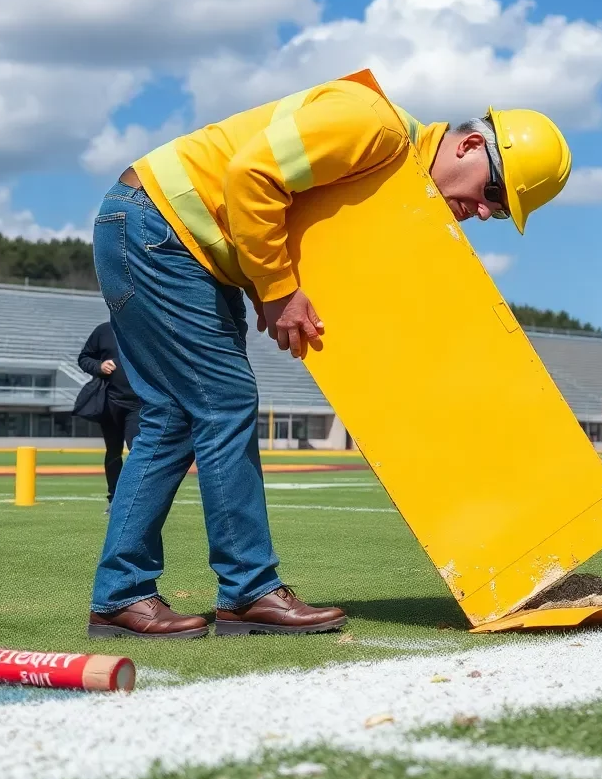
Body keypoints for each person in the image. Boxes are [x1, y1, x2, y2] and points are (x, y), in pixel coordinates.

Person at [87, 68, 572, 640]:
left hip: (151, 228)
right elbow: (252, 176)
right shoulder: (375, 126)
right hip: (160, 230)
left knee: (171, 421)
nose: (486, 212)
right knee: (225, 403)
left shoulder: (384, 150)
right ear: (468, 144)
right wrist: (276, 290)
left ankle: (121, 597)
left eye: (501, 210)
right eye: (495, 192)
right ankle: (247, 592)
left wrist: (274, 289)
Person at [78, 322, 142, 513]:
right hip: (110, 401)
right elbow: (84, 358)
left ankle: (136, 500)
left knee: (138, 450)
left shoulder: (145, 326)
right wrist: (99, 365)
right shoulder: (103, 330)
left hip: (139, 404)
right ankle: (114, 499)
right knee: (113, 451)